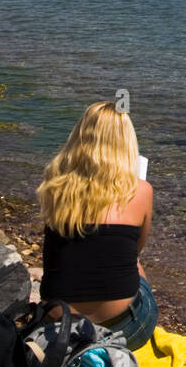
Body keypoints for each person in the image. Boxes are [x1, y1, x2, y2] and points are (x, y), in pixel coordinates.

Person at [37, 101, 157, 351]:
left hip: (57, 329)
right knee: (132, 262)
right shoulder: (141, 191)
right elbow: (136, 251)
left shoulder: (54, 187)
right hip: (124, 329)